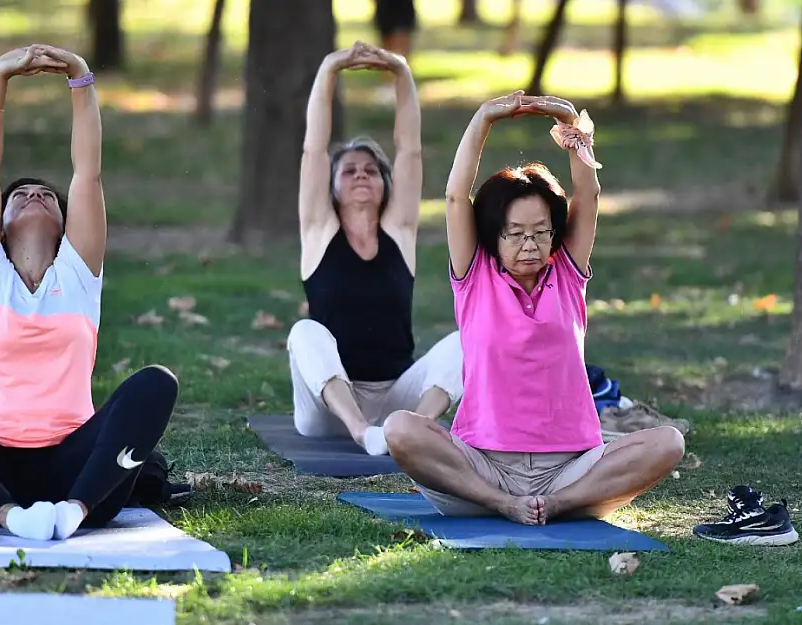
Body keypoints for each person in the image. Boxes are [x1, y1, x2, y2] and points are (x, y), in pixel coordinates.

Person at [0, 44, 180, 542]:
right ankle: (12, 519)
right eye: (18, 195)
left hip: (78, 473)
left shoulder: (79, 273)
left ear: (67, 226)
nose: (33, 195)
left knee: (157, 383)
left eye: (45, 194)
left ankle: (72, 514)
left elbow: (87, 171)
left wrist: (81, 76)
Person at [383, 91, 685, 524]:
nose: (530, 244)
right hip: (482, 472)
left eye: (541, 232)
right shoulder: (476, 275)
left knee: (668, 442)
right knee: (400, 428)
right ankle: (504, 505)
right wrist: (483, 118)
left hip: (570, 473)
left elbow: (589, 192)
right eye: (515, 233)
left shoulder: (566, 270)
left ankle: (555, 506)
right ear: (493, 235)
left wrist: (568, 120)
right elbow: (454, 197)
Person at [288, 41, 463, 457]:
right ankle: (362, 432)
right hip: (328, 408)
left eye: (370, 170)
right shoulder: (317, 231)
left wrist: (401, 72)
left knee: (468, 338)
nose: (361, 175)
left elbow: (410, 149)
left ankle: (415, 428)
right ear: (331, 186)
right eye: (348, 171)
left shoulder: (400, 232)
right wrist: (330, 67)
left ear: (386, 185)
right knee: (304, 332)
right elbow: (314, 148)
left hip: (396, 399)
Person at [372, 0, 417, 102]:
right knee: (386, 43)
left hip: (402, 6)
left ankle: (403, 84)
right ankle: (388, 85)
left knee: (402, 40)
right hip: (385, 6)